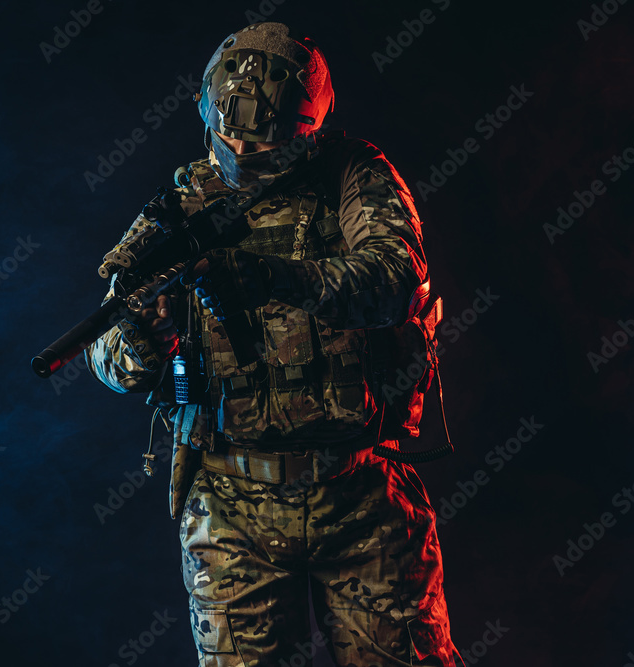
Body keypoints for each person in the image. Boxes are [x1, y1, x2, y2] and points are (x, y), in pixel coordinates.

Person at [85, 21, 463, 667]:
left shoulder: (355, 175)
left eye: (260, 143)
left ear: (305, 128)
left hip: (362, 493)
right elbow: (108, 362)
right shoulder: (180, 207)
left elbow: (395, 277)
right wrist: (144, 333)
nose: (239, 151)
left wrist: (269, 275)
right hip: (233, 510)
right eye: (228, 135)